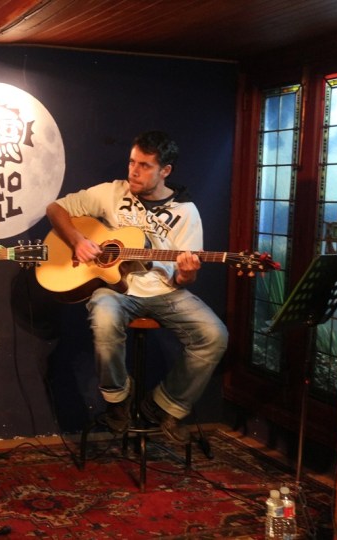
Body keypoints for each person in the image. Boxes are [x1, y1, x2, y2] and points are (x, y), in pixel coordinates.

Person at [45, 130, 228, 444]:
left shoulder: (186, 212)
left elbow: (183, 279)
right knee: (103, 317)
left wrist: (186, 274)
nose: (133, 171)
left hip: (165, 291)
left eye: (144, 166)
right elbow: (55, 209)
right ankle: (118, 401)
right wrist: (77, 241)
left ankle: (163, 405)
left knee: (214, 335)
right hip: (117, 290)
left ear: (165, 170)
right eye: (132, 162)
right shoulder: (112, 192)